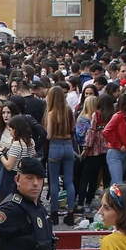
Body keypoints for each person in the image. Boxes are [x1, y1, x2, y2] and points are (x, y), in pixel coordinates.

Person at [42, 86, 77, 223]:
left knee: (54, 181)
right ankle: (70, 213)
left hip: (55, 146)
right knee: (69, 181)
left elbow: (49, 135)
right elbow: (73, 129)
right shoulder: (68, 110)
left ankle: (55, 213)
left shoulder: (51, 113)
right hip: (68, 145)